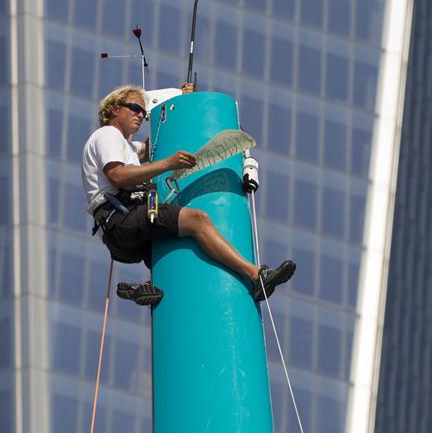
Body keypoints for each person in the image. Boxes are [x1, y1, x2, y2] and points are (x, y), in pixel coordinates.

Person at [82, 85, 295, 307]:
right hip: (121, 219)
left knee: (174, 254)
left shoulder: (127, 148)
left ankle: (144, 286)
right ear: (114, 109)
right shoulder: (108, 134)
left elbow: (154, 143)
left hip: (121, 232)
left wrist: (181, 99)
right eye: (135, 108)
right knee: (197, 220)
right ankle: (256, 275)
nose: (140, 115)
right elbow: (117, 175)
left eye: (143, 112)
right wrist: (167, 164)